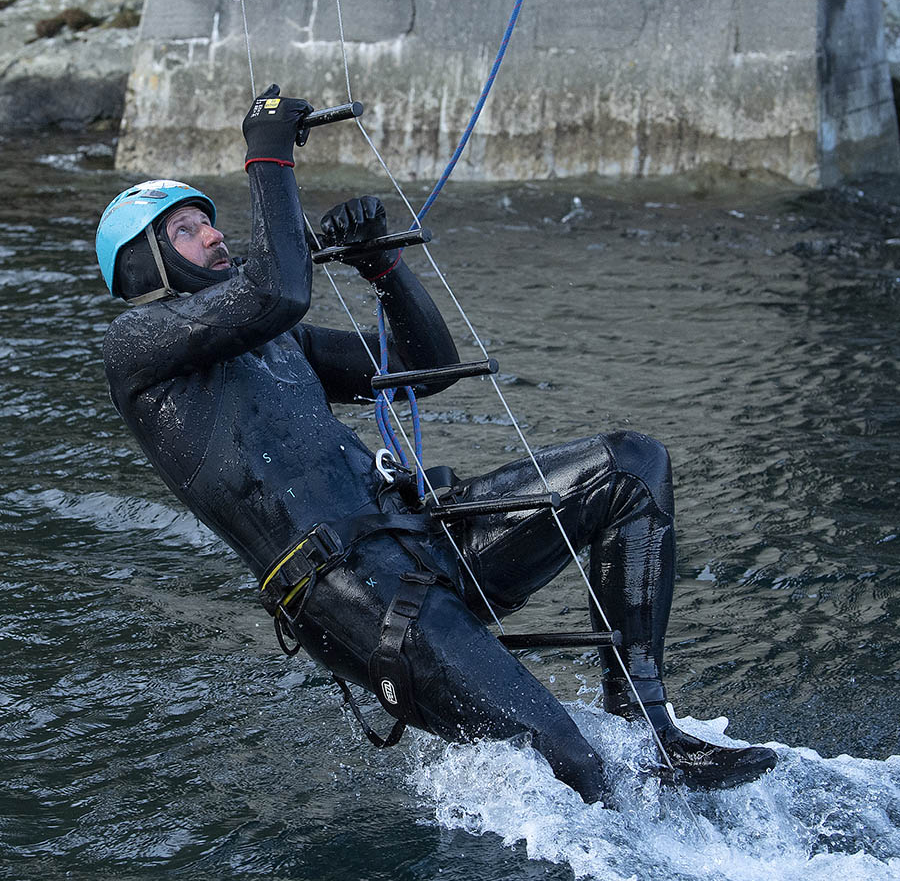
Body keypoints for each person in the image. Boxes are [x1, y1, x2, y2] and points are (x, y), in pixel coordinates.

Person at [95, 85, 777, 803]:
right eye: (187, 231)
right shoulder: (136, 350)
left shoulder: (278, 341)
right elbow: (279, 289)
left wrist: (382, 266)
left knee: (632, 468)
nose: (212, 235)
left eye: (209, 220)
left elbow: (425, 365)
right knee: (575, 766)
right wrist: (266, 149)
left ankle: (647, 723)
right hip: (355, 596)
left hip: (427, 540)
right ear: (147, 263)